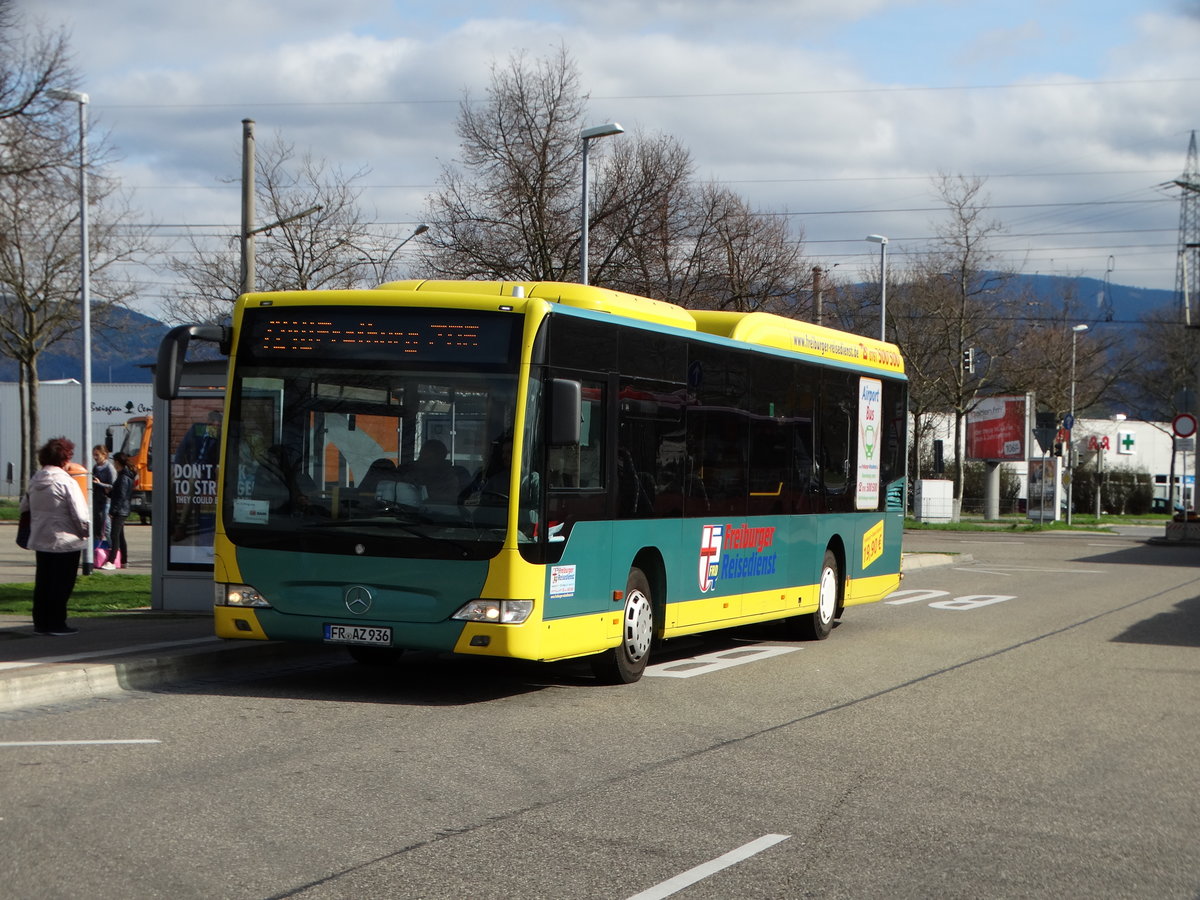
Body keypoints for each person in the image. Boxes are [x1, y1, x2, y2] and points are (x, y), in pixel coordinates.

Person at [20, 437, 90, 636]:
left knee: (43, 582)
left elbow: (24, 507)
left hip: (41, 539)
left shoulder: (35, 481)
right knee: (62, 584)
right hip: (65, 540)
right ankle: (57, 623)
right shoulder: (66, 482)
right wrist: (84, 533)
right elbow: (79, 513)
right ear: (64, 458)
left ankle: (41, 622)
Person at [102, 452, 135, 570]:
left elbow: (121, 497)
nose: (113, 464)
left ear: (117, 462)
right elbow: (118, 494)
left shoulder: (123, 478)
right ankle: (124, 561)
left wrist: (113, 511)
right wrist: (109, 493)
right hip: (122, 510)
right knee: (120, 536)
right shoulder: (124, 476)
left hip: (120, 511)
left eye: (114, 462)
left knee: (114, 535)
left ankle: (111, 561)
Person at [91, 444, 116, 550]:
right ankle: (97, 550)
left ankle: (113, 550)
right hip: (97, 500)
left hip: (106, 501)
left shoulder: (109, 468)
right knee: (96, 526)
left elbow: (113, 486)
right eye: (94, 455)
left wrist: (100, 484)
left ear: (104, 454)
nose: (95, 457)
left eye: (97, 455)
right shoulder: (95, 467)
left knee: (106, 528)